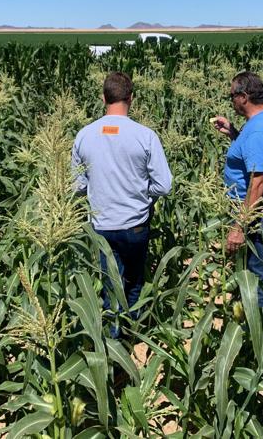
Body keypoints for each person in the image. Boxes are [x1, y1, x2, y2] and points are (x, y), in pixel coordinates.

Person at [72, 72, 172, 338]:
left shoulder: (84, 135)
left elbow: (78, 186)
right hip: (135, 225)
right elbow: (164, 186)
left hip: (102, 225)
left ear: (103, 97)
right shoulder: (145, 136)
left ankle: (113, 342)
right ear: (132, 98)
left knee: (110, 286)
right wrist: (141, 191)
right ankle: (132, 333)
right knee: (134, 281)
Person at [212, 71, 263, 307]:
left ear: (243, 97)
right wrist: (233, 133)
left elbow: (257, 183)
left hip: (254, 215)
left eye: (232, 95)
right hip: (261, 211)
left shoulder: (258, 132)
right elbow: (254, 156)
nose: (231, 100)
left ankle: (261, 330)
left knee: (255, 278)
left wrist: (239, 226)